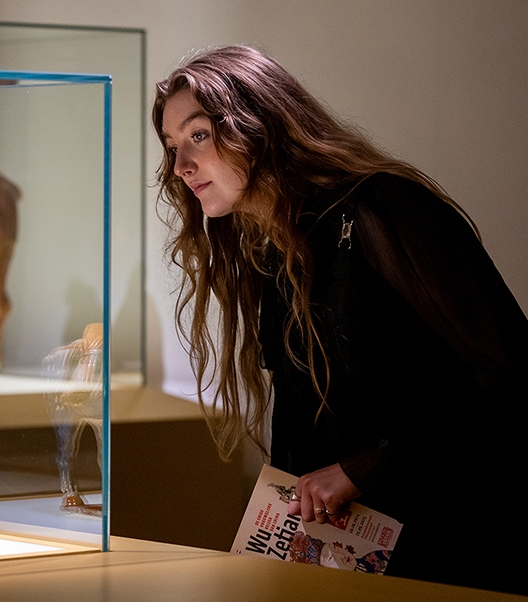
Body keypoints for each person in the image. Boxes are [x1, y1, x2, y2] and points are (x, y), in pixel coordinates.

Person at [153, 45, 528, 594]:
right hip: (351, 562)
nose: (182, 166)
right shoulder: (272, 249)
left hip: (455, 552)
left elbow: (508, 375)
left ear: (261, 124)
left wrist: (368, 464)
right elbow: (302, 426)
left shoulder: (384, 209)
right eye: (172, 147)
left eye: (199, 135)